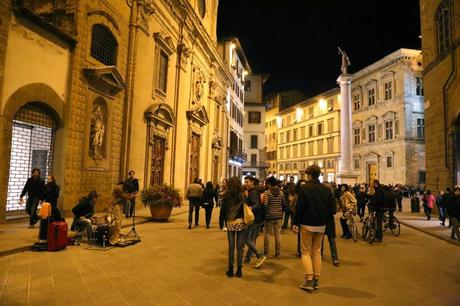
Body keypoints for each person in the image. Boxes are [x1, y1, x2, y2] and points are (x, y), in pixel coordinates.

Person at [293, 165, 335, 292]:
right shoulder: (326, 189)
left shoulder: (305, 188)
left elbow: (299, 207)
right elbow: (332, 209)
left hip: (307, 224)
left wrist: (295, 222)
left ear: (310, 175)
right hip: (321, 225)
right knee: (317, 251)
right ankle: (316, 280)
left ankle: (309, 280)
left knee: (305, 252)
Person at [219, 177, 247, 278]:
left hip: (230, 222)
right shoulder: (242, 195)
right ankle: (239, 270)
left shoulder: (226, 195)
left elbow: (223, 210)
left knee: (231, 247)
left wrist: (221, 222)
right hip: (240, 222)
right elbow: (245, 209)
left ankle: (230, 270)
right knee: (240, 247)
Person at [243, 176, 267, 268]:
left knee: (247, 239)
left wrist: (250, 208)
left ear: (252, 182)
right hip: (258, 218)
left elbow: (257, 204)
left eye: (247, 182)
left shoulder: (253, 192)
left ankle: (259, 255)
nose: (245, 184)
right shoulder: (256, 191)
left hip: (254, 219)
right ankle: (248, 258)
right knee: (252, 239)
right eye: (245, 182)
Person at [263, 176, 284, 257]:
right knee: (277, 234)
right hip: (279, 216)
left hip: (269, 216)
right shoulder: (281, 193)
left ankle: (266, 252)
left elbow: (265, 205)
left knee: (267, 234)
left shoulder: (267, 193)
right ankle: (277, 252)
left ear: (269, 184)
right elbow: (283, 204)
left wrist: (265, 213)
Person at [38, 175, 61, 242]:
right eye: (47, 178)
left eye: (49, 178)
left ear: (52, 179)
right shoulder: (46, 186)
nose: (48, 179)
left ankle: (51, 233)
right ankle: (44, 235)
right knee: (45, 219)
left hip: (52, 204)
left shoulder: (55, 186)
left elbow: (56, 196)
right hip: (46, 204)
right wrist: (41, 200)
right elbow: (43, 194)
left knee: (52, 218)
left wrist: (49, 198)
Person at [322, 182, 339, 266]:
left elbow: (334, 211)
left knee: (330, 240)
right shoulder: (322, 198)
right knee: (323, 239)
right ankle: (334, 258)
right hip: (325, 220)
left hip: (326, 220)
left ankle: (334, 258)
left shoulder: (332, 199)